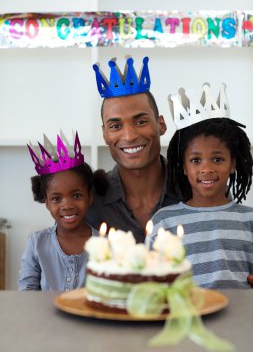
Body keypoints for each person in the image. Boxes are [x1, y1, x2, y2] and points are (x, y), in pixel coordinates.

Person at [150, 115, 253, 289]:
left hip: (241, 314)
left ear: (232, 164)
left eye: (218, 159)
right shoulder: (164, 221)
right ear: (184, 166)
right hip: (188, 314)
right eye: (196, 160)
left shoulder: (249, 219)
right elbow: (151, 281)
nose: (206, 169)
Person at [85, 56, 180, 243]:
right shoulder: (90, 200)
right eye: (115, 126)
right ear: (104, 134)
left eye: (141, 121)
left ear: (161, 124)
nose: (129, 136)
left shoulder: (197, 187)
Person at [19, 132, 99, 291]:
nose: (67, 205)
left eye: (76, 195)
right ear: (46, 202)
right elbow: (27, 290)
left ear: (89, 197)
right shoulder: (37, 243)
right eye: (56, 199)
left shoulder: (105, 243)